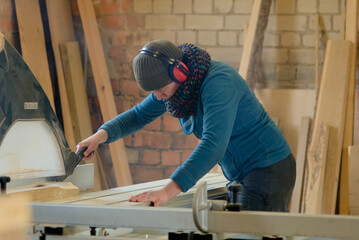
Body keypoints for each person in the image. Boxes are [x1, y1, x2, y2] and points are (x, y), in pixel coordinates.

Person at [77, 39, 296, 211]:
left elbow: (213, 144)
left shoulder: (218, 83)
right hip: (242, 172)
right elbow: (138, 115)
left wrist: (168, 191)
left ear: (180, 72)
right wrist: (99, 136)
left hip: (269, 169)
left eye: (161, 89)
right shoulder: (176, 88)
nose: (159, 97)